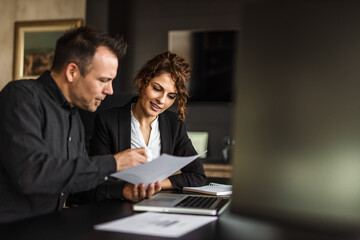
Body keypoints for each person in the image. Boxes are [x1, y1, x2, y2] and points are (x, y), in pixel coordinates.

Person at [0, 26, 160, 224]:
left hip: (50, 228)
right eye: (104, 80)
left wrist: (124, 191)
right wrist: (114, 163)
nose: (109, 90)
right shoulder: (21, 96)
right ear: (72, 71)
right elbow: (31, 174)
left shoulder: (75, 116)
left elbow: (76, 189)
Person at [90, 51, 206, 190]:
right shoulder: (108, 121)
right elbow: (98, 177)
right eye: (157, 89)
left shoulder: (174, 124)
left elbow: (198, 175)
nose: (161, 100)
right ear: (142, 82)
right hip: (118, 203)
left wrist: (155, 185)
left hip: (160, 204)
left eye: (171, 96)